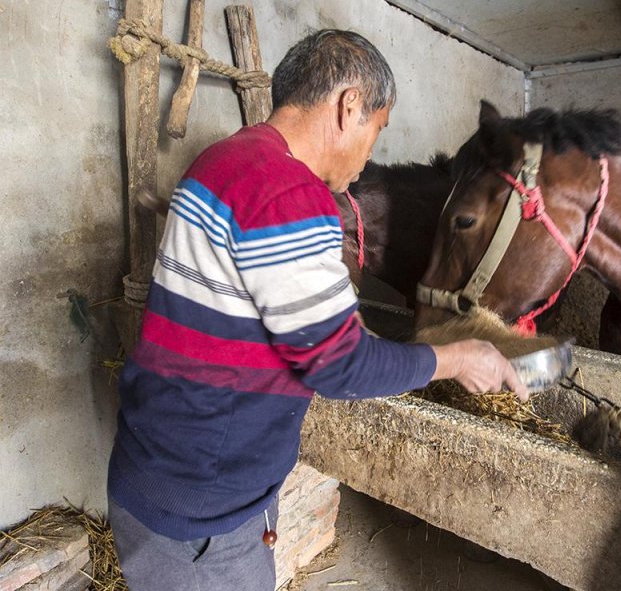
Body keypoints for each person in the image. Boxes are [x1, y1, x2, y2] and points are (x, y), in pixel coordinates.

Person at [107, 29, 526, 591]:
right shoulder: (290, 194)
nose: (371, 152)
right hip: (204, 516)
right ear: (349, 105)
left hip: (155, 471)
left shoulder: (221, 159)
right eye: (378, 129)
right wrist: (458, 358)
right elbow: (341, 368)